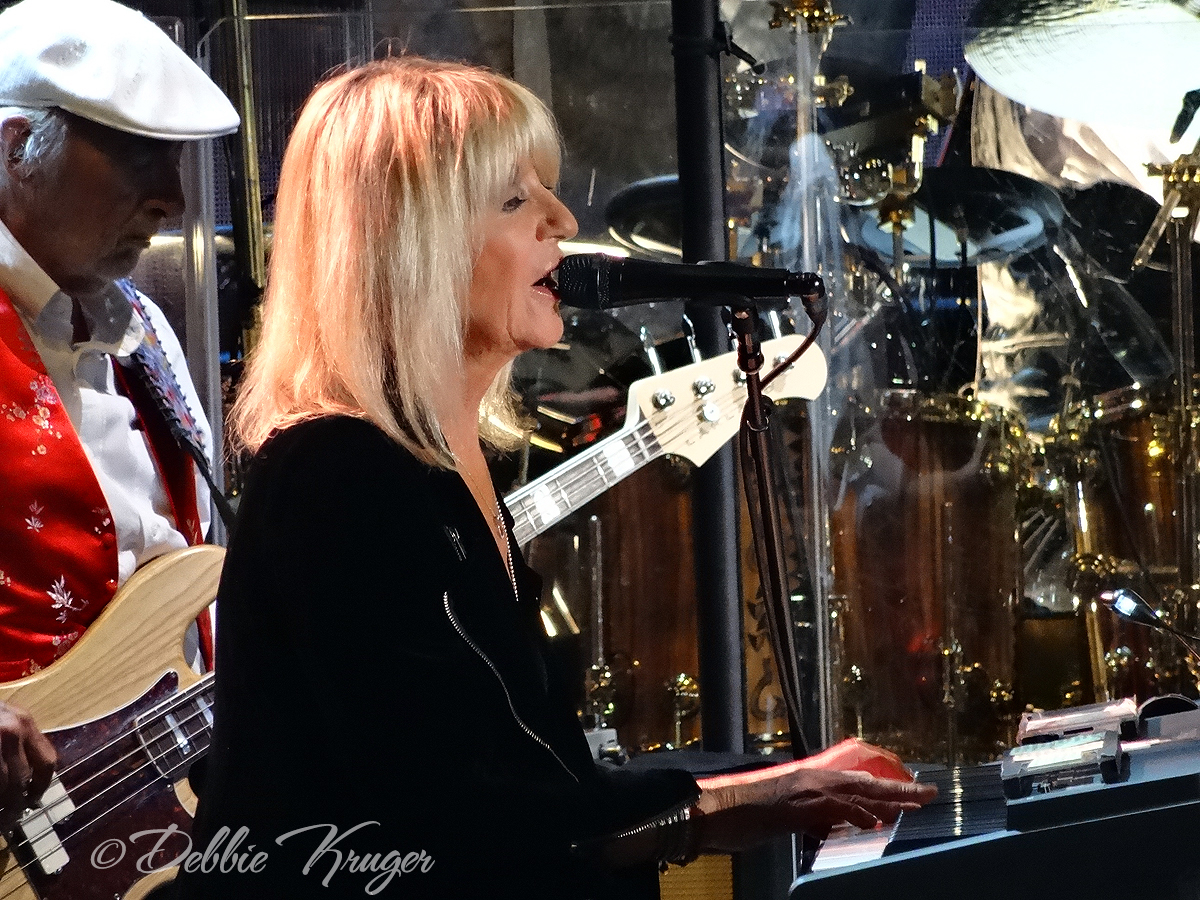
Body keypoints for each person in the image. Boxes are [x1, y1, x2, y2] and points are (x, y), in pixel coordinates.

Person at [178, 56, 934, 899]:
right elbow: (453, 815)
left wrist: (763, 788)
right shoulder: (335, 476)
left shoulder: (440, 468)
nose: (565, 221)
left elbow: (530, 777)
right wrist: (739, 801)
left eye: (549, 192)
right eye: (515, 200)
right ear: (410, 244)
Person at [0, 0, 239, 809]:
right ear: (17, 146)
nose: (172, 199)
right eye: (139, 156)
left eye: (173, 160)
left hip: (156, 815)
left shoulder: (144, 334)